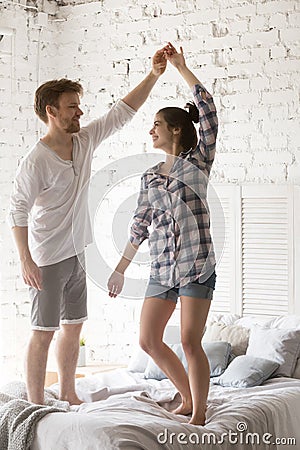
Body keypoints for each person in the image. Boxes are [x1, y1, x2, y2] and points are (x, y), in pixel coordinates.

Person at [8, 47, 168, 405]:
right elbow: (17, 211)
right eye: (72, 106)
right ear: (51, 111)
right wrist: (25, 259)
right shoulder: (36, 161)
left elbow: (121, 113)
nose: (80, 111)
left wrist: (154, 74)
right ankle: (35, 403)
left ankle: (67, 392)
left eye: (79, 105)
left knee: (73, 327)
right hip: (47, 259)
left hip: (78, 253)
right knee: (42, 332)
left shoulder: (84, 141)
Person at [107, 42, 218, 426]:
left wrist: (180, 67)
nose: (150, 129)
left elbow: (207, 110)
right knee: (149, 340)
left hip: (195, 266)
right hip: (162, 268)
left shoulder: (198, 162)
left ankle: (200, 412)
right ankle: (188, 397)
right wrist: (120, 268)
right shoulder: (150, 176)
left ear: (174, 129)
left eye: (156, 123)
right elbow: (140, 224)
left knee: (189, 340)